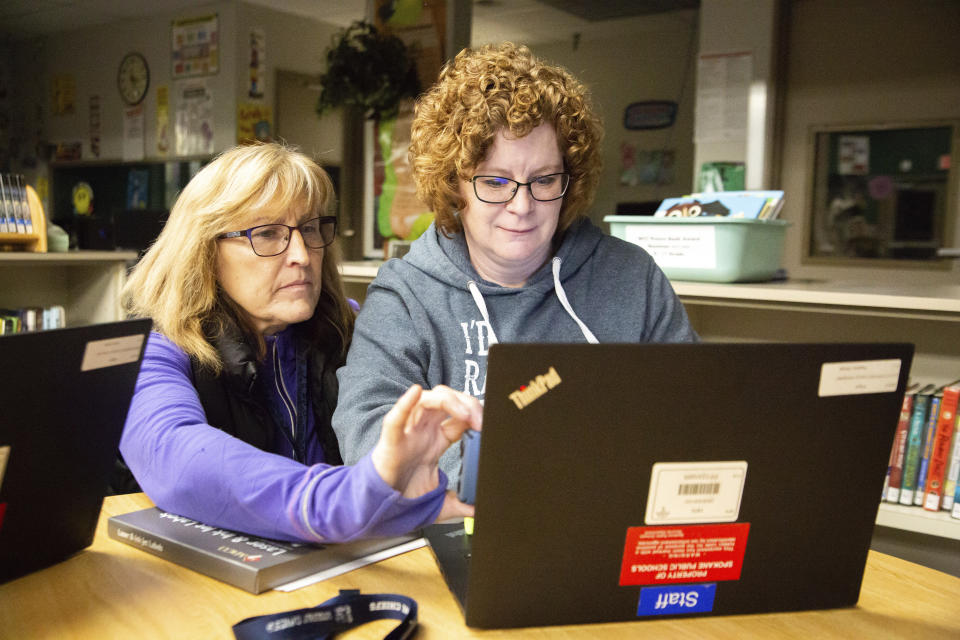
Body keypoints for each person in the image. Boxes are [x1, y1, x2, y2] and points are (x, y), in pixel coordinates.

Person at [332, 43, 697, 480]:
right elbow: (367, 434)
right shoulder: (405, 295)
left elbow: (695, 413)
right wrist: (506, 475)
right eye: (495, 181)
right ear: (454, 185)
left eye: (543, 180)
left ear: (569, 177)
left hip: (612, 520)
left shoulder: (632, 278)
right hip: (462, 527)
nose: (521, 205)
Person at [119, 142, 482, 543]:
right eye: (268, 233)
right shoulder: (156, 350)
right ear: (204, 251)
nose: (302, 255)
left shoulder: (353, 327)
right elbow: (176, 460)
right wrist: (348, 500)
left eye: (310, 229)